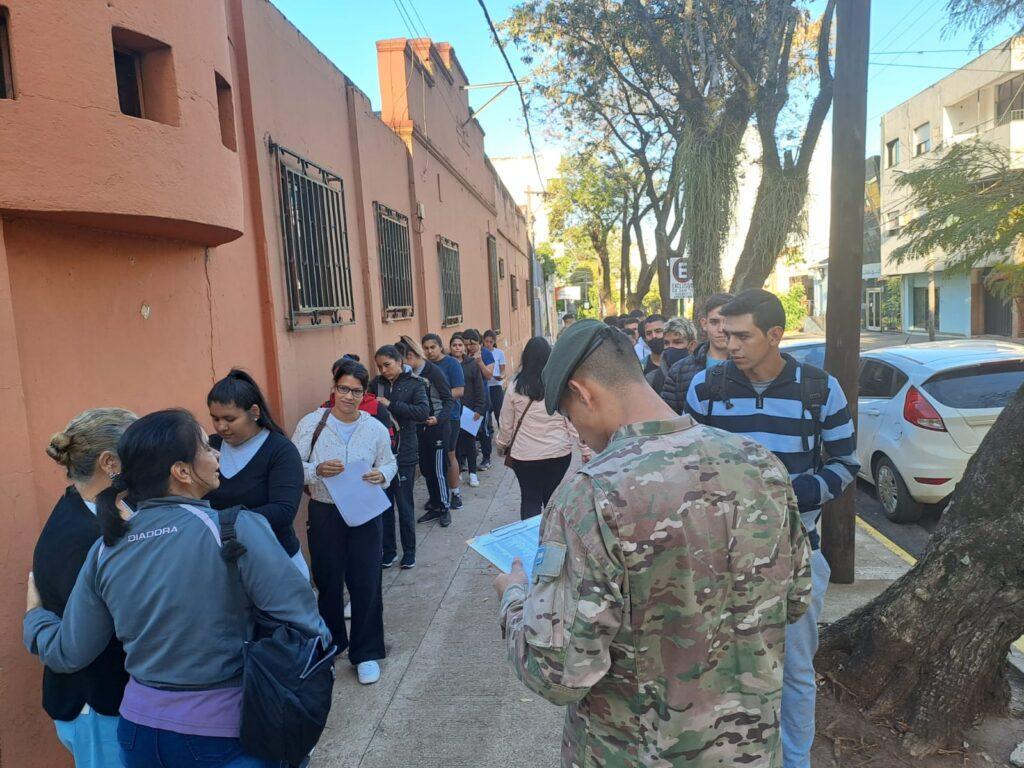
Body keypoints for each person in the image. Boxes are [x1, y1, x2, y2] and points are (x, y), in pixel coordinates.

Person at [494, 320, 811, 767]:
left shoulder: (590, 496)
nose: (578, 434)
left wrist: (512, 596)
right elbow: (795, 599)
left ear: (584, 394)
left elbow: (558, 672)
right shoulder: (760, 463)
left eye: (569, 416)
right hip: (751, 750)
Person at [24, 409, 329, 768]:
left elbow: (68, 652)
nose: (216, 454)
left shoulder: (106, 548)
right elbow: (307, 627)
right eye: (204, 446)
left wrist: (33, 617)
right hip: (223, 733)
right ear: (181, 471)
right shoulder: (234, 528)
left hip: (139, 735)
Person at [684, 289, 859, 768]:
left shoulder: (820, 389)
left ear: (775, 335)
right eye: (724, 332)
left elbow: (846, 464)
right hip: (719, 560)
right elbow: (689, 467)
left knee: (796, 670)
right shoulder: (706, 388)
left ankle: (796, 760)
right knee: (720, 667)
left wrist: (786, 494)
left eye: (742, 335)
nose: (729, 343)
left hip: (797, 555)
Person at [32, 408, 136, 768]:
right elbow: (96, 634)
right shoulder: (78, 536)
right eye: (138, 454)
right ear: (110, 463)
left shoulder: (92, 511)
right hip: (96, 704)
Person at [292, 358, 397, 686]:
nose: (349, 396)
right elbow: (294, 466)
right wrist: (316, 471)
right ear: (333, 388)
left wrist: (382, 475)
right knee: (327, 581)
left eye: (356, 391)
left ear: (365, 393)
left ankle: (366, 653)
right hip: (326, 511)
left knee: (367, 582)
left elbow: (389, 462)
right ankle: (332, 644)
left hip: (366, 512)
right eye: (343, 389)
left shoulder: (374, 427)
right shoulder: (311, 424)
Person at [206, 370, 307, 577]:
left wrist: (220, 522)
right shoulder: (209, 447)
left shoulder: (280, 451)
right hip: (225, 566)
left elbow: (283, 511)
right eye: (215, 419)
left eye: (230, 419)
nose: (221, 427)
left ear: (254, 412)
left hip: (275, 562)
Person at [495, 337, 588, 520]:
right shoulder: (559, 386)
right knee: (551, 498)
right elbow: (571, 420)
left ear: (526, 358)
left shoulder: (515, 386)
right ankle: (550, 541)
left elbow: (506, 423)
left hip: (525, 456)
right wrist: (584, 449)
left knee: (529, 498)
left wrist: (502, 445)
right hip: (558, 454)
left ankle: (530, 543)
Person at [370, 344, 430, 568]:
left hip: (405, 452)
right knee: (384, 505)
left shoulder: (415, 384)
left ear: (399, 361)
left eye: (387, 364)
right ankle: (389, 551)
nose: (383, 370)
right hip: (380, 454)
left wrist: (391, 405)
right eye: (379, 366)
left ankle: (409, 551)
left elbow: (423, 413)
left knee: (404, 504)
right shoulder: (376, 384)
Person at [396, 335, 455, 526]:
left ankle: (445, 507)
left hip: (437, 429)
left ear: (411, 356)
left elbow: (448, 400)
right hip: (419, 429)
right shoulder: (409, 375)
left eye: (401, 360)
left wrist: (438, 419)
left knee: (439, 470)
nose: (400, 365)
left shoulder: (433, 372)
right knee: (428, 470)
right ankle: (435, 505)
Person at [660, 292, 734, 414]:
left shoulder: (749, 367)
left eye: (727, 322)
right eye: (714, 322)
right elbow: (669, 419)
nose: (721, 329)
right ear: (704, 324)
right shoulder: (678, 370)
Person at [422, 333, 466, 509]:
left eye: (432, 347)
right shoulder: (424, 366)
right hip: (429, 419)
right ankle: (437, 495)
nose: (429, 351)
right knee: (432, 459)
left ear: (440, 347)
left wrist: (438, 396)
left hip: (450, 416)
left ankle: (455, 492)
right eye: (425, 348)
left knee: (450, 454)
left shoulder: (451, 364)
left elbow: (459, 391)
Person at [449, 333, 486, 487]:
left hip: (470, 410)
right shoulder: (448, 364)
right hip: (452, 411)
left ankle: (472, 473)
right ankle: (457, 473)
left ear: (464, 347)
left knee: (470, 443)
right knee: (454, 444)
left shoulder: (471, 364)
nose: (457, 348)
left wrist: (479, 409)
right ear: (450, 347)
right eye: (454, 345)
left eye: (460, 345)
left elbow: (479, 388)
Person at [463, 329, 495, 470]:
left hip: (482, 397)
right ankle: (466, 459)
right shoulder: (462, 355)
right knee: (467, 430)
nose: (469, 347)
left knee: (483, 429)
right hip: (467, 398)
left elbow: (489, 375)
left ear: (479, 343)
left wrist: (480, 362)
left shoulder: (486, 354)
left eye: (473, 344)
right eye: (467, 344)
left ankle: (486, 459)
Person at [646, 317, 697, 395]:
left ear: (692, 345)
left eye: (677, 342)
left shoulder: (703, 376)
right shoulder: (651, 380)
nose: (671, 347)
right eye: (666, 343)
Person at [482, 329, 507, 422]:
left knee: (499, 413)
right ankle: (489, 432)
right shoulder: (480, 353)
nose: (488, 344)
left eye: (491, 342)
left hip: (496, 386)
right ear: (483, 341)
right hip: (484, 386)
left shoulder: (499, 353)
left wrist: (501, 376)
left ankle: (501, 433)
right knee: (486, 412)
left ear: (494, 342)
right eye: (486, 341)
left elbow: (503, 371)